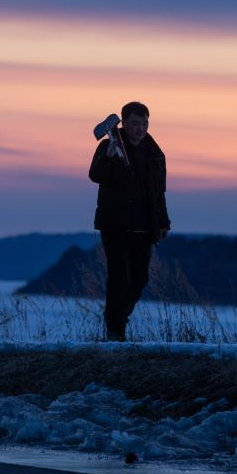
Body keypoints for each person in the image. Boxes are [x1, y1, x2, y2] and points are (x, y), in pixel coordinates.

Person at [88, 101, 171, 342]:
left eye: (144, 123)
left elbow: (159, 192)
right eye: (135, 123)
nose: (140, 128)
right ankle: (115, 329)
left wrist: (163, 221)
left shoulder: (155, 153)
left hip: (145, 226)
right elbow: (95, 175)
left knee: (139, 280)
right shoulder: (109, 145)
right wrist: (109, 158)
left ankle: (117, 319)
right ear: (124, 123)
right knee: (119, 277)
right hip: (115, 224)